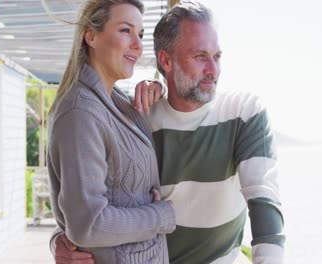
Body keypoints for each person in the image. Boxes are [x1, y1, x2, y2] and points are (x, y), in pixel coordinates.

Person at [51, 0, 285, 263]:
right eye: (200, 56)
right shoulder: (132, 117)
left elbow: (264, 198)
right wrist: (62, 238)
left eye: (217, 56)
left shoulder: (242, 111)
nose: (213, 70)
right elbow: (88, 210)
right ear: (165, 60)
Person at [46, 0, 176, 263]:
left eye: (140, 34)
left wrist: (159, 88)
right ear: (91, 36)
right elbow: (89, 224)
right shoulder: (80, 113)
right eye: (125, 30)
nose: (138, 46)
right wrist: (162, 215)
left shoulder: (115, 101)